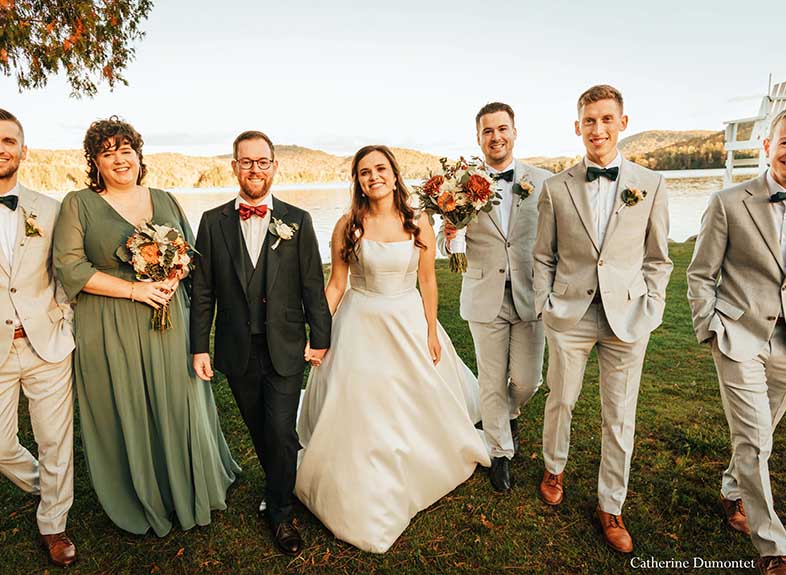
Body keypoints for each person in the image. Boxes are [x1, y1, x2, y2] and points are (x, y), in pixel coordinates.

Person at [295, 145, 490, 554]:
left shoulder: (418, 222)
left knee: (414, 394)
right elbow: (336, 286)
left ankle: (422, 457)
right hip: (360, 320)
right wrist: (320, 335)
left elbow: (427, 282)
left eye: (380, 168)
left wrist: (432, 331)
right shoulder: (348, 225)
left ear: (394, 173)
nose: (373, 177)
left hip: (407, 318)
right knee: (363, 401)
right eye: (364, 172)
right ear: (358, 181)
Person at [53, 117, 239, 538]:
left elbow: (191, 254)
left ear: (139, 155)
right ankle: (141, 493)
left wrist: (174, 274)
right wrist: (134, 291)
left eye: (126, 150)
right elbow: (69, 267)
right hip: (109, 324)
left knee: (178, 399)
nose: (119, 159)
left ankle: (188, 486)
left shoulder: (166, 199)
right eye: (107, 152)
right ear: (95, 162)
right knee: (129, 402)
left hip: (169, 320)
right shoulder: (77, 204)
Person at [532, 85, 672, 553]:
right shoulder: (555, 188)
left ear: (622, 123)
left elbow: (658, 258)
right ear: (578, 127)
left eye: (607, 119)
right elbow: (542, 256)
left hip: (628, 317)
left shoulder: (650, 185)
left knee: (620, 415)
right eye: (589, 121)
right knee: (562, 400)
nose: (598, 129)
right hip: (569, 313)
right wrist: (545, 304)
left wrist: (651, 305)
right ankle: (554, 466)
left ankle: (610, 504)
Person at [190, 130, 331, 556]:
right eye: (246, 161)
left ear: (274, 166)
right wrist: (200, 346)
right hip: (237, 348)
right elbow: (203, 291)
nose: (255, 169)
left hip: (286, 343)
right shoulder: (212, 222)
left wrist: (320, 337)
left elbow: (311, 285)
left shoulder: (298, 219)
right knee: (258, 427)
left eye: (262, 161)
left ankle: (282, 512)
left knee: (281, 431)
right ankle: (278, 485)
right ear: (234, 167)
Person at [686, 106, 786, 575]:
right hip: (738, 335)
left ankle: (734, 489)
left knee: (763, 432)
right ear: (767, 146)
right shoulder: (729, 201)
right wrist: (710, 326)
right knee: (754, 438)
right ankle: (773, 549)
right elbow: (700, 272)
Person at [436, 102, 551, 492]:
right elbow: (444, 240)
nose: (496, 137)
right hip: (483, 292)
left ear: (515, 132)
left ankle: (510, 410)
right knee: (490, 376)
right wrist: (451, 239)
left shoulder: (544, 181)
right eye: (488, 131)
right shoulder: (459, 185)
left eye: (502, 129)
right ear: (478, 137)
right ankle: (500, 451)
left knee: (527, 379)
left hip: (530, 293)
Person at [0, 109, 76, 566]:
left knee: (56, 440)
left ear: (23, 151)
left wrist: (62, 316)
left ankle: (54, 523)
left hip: (47, 343)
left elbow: (64, 270)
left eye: (10, 139)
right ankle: (41, 484)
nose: (1, 147)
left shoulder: (49, 209)